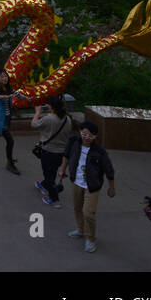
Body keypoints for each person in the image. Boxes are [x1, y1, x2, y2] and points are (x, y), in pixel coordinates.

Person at [58, 120, 116, 253]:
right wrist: (62, 169)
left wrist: (111, 187)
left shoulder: (100, 152)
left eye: (90, 135)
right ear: (80, 132)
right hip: (76, 182)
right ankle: (80, 230)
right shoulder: (74, 142)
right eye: (84, 134)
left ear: (95, 137)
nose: (86, 137)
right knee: (77, 208)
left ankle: (90, 239)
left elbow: (109, 171)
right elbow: (66, 156)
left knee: (88, 213)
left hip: (92, 186)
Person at [31, 95, 80, 206]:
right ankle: (43, 185)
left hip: (49, 152)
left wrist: (37, 112)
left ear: (51, 106)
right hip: (62, 154)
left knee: (49, 175)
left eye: (47, 104)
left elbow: (33, 124)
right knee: (51, 172)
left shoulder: (49, 118)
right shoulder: (67, 118)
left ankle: (54, 200)